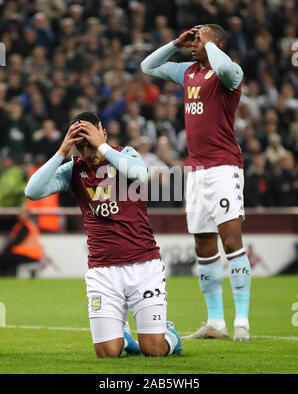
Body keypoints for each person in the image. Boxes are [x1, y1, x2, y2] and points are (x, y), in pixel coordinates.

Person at [25, 111, 182, 358]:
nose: (88, 151)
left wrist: (102, 145)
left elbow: (140, 174)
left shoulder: (126, 154)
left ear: (104, 134)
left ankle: (170, 335)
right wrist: (61, 153)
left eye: (91, 142)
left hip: (143, 265)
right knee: (108, 353)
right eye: (82, 145)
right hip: (103, 271)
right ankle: (124, 337)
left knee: (153, 350)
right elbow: (32, 192)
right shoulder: (73, 170)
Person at [141, 24, 251, 341]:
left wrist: (210, 42)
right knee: (203, 247)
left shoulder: (229, 74)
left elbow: (225, 66)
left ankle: (241, 320)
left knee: (232, 242)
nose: (194, 44)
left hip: (223, 168)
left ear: (216, 44)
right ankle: (216, 322)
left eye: (199, 40)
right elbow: (147, 66)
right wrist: (175, 43)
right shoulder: (187, 72)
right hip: (196, 171)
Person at [0, 205, 43, 276]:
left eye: (23, 214)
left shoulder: (25, 226)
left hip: (28, 254)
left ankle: (5, 276)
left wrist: (6, 251)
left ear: (27, 215)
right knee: (7, 258)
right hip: (32, 254)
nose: (20, 215)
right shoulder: (28, 225)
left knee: (4, 258)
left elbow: (16, 242)